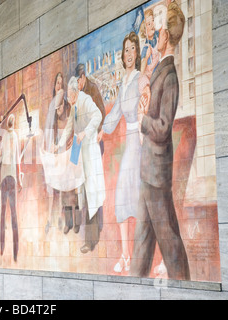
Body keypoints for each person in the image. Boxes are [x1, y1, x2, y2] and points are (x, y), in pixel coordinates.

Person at [131, 2, 190, 280]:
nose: (154, 30)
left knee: (170, 242)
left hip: (156, 174)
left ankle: (185, 286)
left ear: (166, 34)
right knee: (142, 244)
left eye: (158, 25)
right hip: (148, 172)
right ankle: (133, 286)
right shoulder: (159, 69)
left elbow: (163, 128)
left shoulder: (170, 77)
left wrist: (143, 119)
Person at [101, 31, 143, 273]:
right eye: (126, 50)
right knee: (125, 199)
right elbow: (115, 113)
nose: (129, 54)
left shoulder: (139, 79)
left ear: (137, 53)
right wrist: (100, 131)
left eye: (132, 49)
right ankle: (127, 256)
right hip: (130, 140)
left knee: (129, 198)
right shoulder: (123, 82)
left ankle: (131, 256)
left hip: (138, 140)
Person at [56, 76, 106, 254]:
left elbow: (98, 115)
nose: (68, 99)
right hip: (80, 155)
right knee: (83, 196)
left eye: (70, 95)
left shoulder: (85, 100)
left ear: (75, 92)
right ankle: (88, 233)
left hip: (89, 155)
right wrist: (59, 144)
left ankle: (90, 241)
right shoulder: (75, 106)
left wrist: (86, 132)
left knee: (91, 196)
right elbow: (69, 126)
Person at [43, 72, 72, 234]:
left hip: (61, 150)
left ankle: (60, 219)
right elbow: (48, 127)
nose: (59, 85)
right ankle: (49, 219)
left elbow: (67, 126)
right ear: (54, 86)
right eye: (57, 83)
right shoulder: (52, 105)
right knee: (51, 188)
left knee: (60, 186)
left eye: (61, 83)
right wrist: (48, 149)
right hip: (52, 150)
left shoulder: (65, 105)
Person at [0, 114, 22, 262]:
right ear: (14, 123)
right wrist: (20, 180)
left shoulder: (4, 137)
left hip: (4, 179)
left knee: (3, 214)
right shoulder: (15, 137)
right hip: (12, 178)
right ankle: (15, 253)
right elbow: (18, 160)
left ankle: (1, 248)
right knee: (14, 216)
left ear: (7, 124)